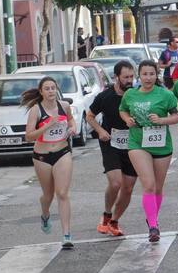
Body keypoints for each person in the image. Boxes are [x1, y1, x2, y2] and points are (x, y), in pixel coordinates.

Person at [120, 61, 178, 243]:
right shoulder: (130, 94)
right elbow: (122, 110)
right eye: (144, 74)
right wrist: (127, 120)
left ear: (157, 75)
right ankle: (153, 226)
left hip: (161, 145)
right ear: (139, 76)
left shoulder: (165, 95)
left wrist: (162, 120)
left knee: (158, 188)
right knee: (149, 185)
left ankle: (152, 216)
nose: (148, 78)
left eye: (151, 74)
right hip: (138, 143)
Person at [23, 76, 76, 250]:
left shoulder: (64, 106)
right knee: (48, 195)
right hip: (42, 156)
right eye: (47, 88)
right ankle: (45, 213)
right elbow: (29, 136)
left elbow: (70, 120)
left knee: (62, 193)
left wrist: (72, 128)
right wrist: (48, 125)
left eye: (53, 88)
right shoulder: (36, 110)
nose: (51, 91)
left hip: (62, 152)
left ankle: (66, 234)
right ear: (41, 92)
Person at [86, 61, 138, 237]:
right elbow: (90, 116)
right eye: (126, 77)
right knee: (116, 182)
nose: (130, 80)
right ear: (117, 77)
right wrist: (100, 131)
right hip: (111, 143)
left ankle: (115, 221)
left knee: (129, 188)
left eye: (132, 77)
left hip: (133, 144)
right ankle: (107, 214)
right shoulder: (105, 96)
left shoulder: (137, 95)